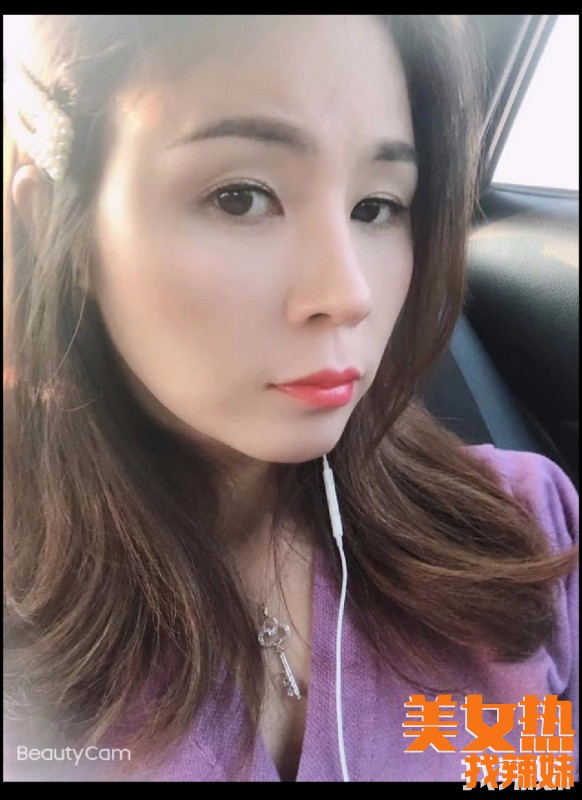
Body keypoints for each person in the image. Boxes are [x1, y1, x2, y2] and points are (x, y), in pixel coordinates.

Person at [3, 15, 578, 784]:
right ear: (56, 226)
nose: (348, 293)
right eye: (240, 197)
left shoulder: (524, 529)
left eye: (376, 206)